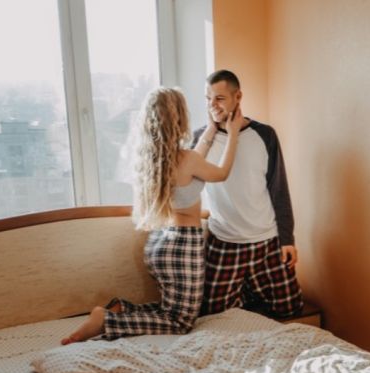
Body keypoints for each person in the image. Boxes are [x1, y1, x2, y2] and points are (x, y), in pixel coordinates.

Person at [61, 87, 242, 345]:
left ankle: (119, 310)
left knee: (167, 311)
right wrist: (233, 134)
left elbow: (195, 160)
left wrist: (212, 130)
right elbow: (221, 172)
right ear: (179, 117)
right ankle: (107, 320)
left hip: (159, 243)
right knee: (180, 322)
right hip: (184, 246)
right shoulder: (187, 158)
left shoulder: (155, 160)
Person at [193, 69, 304, 318]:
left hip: (267, 240)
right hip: (225, 241)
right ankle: (244, 290)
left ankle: (248, 290)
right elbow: (185, 185)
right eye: (208, 98)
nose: (212, 105)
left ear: (238, 96)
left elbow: (279, 189)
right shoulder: (200, 139)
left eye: (219, 98)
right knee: (211, 315)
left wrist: (287, 239)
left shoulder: (265, 135)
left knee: (291, 308)